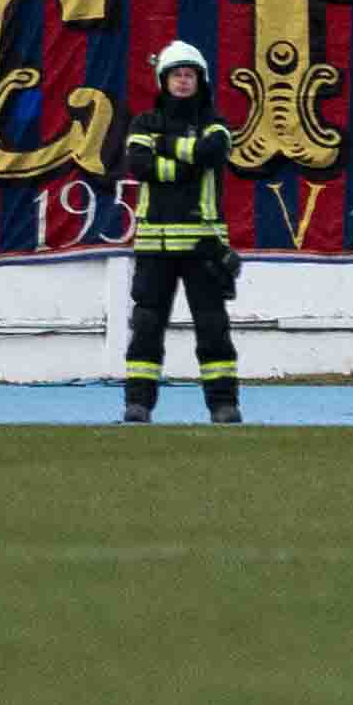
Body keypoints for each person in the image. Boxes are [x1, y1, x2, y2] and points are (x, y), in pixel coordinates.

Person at [109, 39, 243, 426]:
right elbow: (140, 165)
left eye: (189, 75)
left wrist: (166, 147)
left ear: (200, 81)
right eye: (176, 75)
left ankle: (223, 404)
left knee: (213, 327)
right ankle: (138, 404)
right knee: (146, 327)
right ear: (162, 80)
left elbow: (211, 153)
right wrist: (184, 163)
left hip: (204, 245)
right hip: (155, 245)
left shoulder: (214, 124)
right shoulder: (143, 122)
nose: (183, 82)